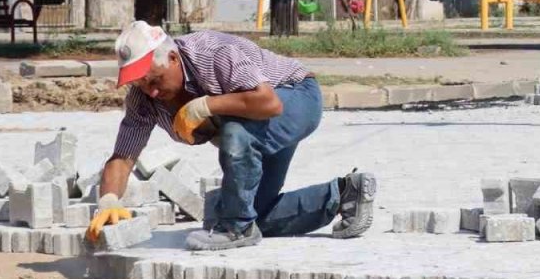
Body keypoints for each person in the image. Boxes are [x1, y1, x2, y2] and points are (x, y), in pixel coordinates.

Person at [84, 21, 376, 251]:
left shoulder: (212, 53)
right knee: (246, 211)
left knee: (235, 134)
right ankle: (344, 194)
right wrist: (108, 200)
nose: (152, 91)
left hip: (295, 97)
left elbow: (269, 104)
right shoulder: (143, 100)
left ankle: (237, 228)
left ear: (172, 58)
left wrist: (205, 105)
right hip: (254, 125)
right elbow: (122, 157)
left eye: (155, 80)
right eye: (141, 84)